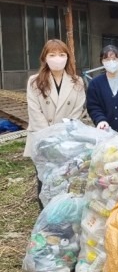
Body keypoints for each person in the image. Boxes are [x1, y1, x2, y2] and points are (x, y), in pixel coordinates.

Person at [25, 39, 86, 209]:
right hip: (41, 141)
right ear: (44, 58)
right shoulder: (34, 81)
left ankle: (63, 218)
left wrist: (61, 138)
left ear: (68, 58)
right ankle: (45, 221)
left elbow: (77, 112)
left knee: (65, 180)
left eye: (62, 54)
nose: (57, 58)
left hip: (67, 140)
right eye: (52, 55)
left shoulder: (77, 82)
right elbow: (35, 113)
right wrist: (49, 140)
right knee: (44, 181)